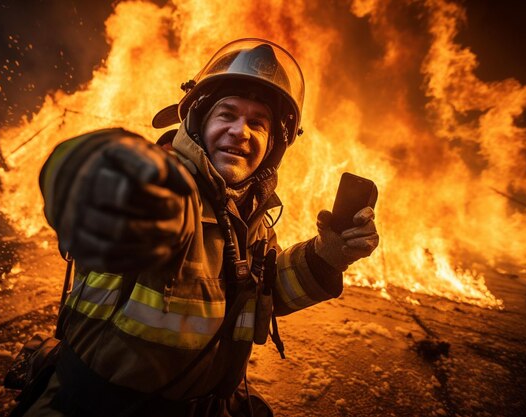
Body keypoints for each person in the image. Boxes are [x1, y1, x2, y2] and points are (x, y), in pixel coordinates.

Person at [24, 38, 379, 417]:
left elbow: (257, 295)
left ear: (274, 144)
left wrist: (327, 257)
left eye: (257, 123)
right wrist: (100, 172)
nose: (240, 131)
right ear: (197, 121)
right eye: (226, 115)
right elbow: (95, 186)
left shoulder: (252, 219)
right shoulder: (169, 190)